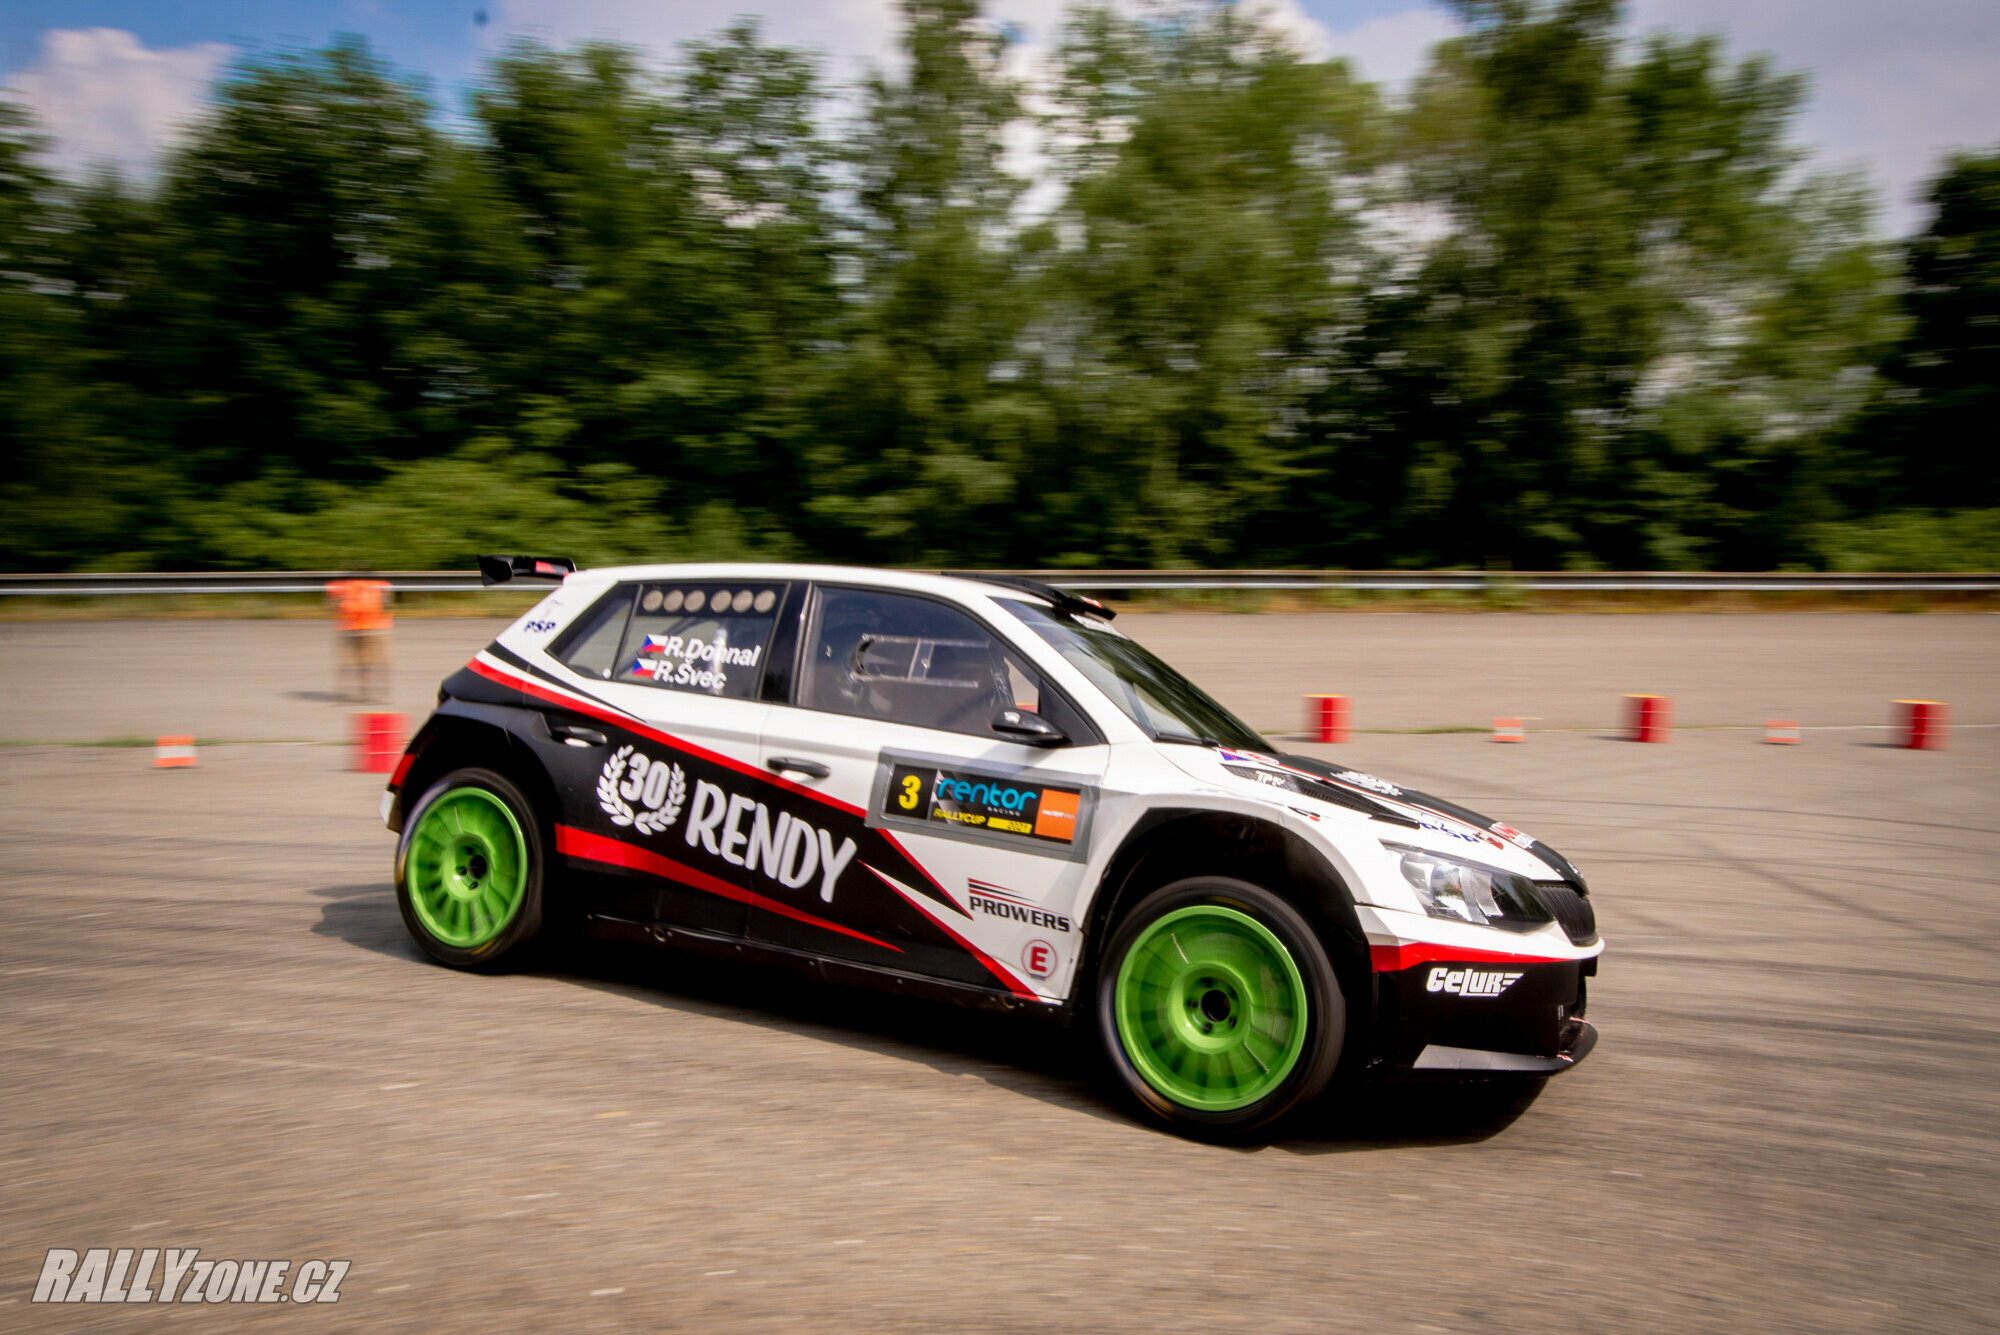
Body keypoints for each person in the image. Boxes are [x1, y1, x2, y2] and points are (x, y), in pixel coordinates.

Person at [325, 574, 393, 704]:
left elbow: (332, 604)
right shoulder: (378, 584)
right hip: (373, 628)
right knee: (373, 663)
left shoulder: (342, 586)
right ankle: (372, 692)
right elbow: (387, 603)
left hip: (352, 628)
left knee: (350, 664)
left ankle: (350, 694)